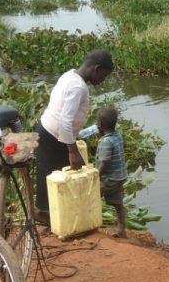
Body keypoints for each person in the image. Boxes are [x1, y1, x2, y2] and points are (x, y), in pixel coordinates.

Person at [34, 49, 114, 225]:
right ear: (96, 69)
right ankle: (46, 216)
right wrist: (72, 151)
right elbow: (65, 120)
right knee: (78, 176)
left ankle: (57, 214)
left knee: (53, 175)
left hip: (52, 132)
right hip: (53, 136)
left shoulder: (70, 75)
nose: (103, 80)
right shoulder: (78, 87)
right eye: (104, 75)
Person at [95, 107, 127, 238]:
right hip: (119, 177)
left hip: (109, 179)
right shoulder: (117, 136)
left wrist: (96, 176)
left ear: (100, 124)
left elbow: (105, 163)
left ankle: (89, 225)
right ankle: (122, 230)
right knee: (118, 204)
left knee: (92, 197)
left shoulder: (106, 141)